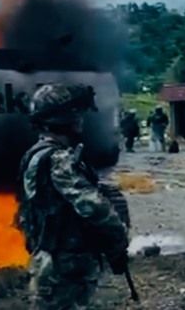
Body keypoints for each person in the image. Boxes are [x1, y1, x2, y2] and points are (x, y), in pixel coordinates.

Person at [15, 84, 130, 310]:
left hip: (50, 258)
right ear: (65, 119)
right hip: (64, 264)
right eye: (76, 113)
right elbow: (93, 207)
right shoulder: (58, 159)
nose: (81, 119)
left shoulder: (36, 154)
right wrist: (118, 241)